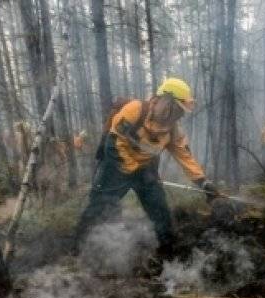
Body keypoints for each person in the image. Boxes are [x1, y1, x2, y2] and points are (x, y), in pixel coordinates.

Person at [73, 78, 218, 257]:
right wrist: (133, 170)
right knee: (101, 205)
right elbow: (114, 143)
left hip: (145, 168)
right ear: (167, 102)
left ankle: (167, 252)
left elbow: (185, 156)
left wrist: (203, 182)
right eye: (178, 110)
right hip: (116, 163)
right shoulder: (134, 110)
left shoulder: (173, 130)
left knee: (160, 210)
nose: (179, 115)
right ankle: (78, 248)